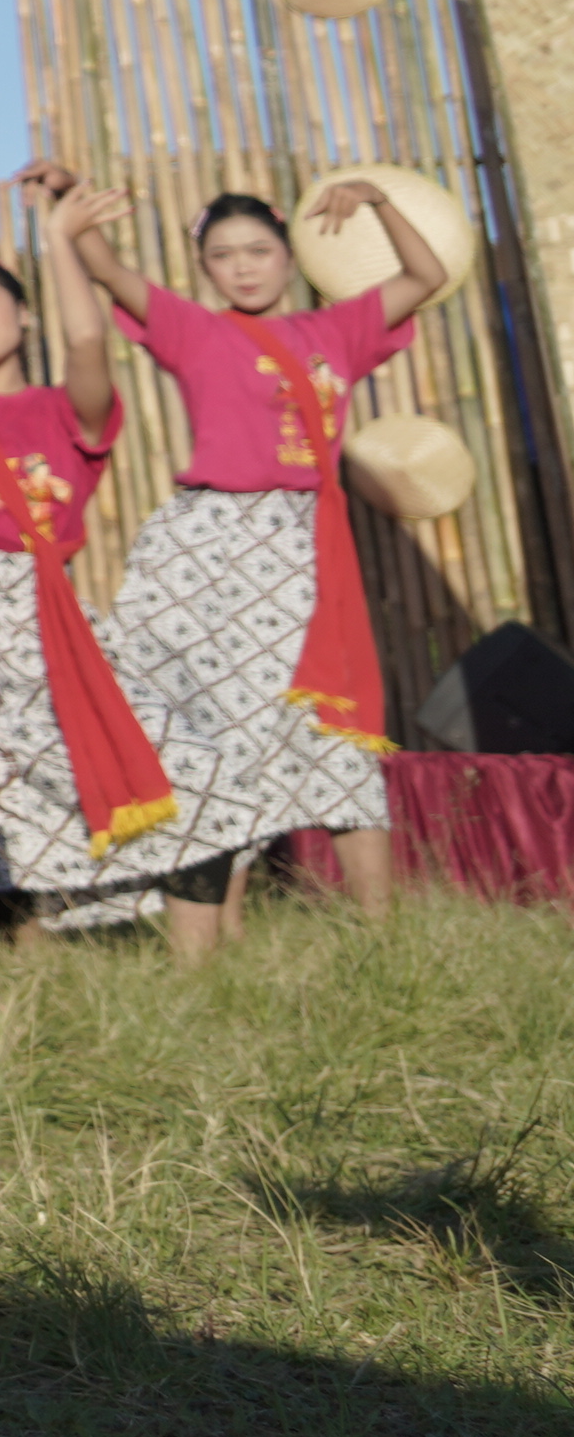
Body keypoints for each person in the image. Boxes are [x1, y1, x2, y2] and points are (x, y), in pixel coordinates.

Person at [36, 166, 450, 952]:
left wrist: (379, 202)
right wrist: (64, 199)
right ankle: (210, 939)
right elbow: (106, 268)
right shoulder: (195, 328)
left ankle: (383, 939)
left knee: (331, 727)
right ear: (206, 270)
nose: (245, 267)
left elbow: (425, 276)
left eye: (260, 250)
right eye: (224, 256)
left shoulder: (338, 332)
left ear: (292, 259)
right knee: (211, 731)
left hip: (300, 544)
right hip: (207, 551)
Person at [0, 227, 182, 980]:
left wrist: (59, 238)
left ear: (24, 315)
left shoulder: (66, 409)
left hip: (44, 616)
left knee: (150, 757)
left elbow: (88, 340)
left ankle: (188, 951)